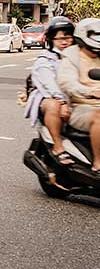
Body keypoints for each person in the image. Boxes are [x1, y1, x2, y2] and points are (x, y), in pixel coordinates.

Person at [23, 17, 75, 163]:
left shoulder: (79, 57)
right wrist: (63, 101)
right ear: (51, 40)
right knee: (53, 105)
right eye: (60, 39)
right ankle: (58, 147)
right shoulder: (45, 60)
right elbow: (50, 86)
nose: (64, 42)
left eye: (68, 37)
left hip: (76, 97)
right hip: (49, 98)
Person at [56, 17, 100, 171]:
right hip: (81, 107)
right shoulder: (71, 57)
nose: (96, 52)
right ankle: (98, 163)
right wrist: (90, 92)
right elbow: (67, 82)